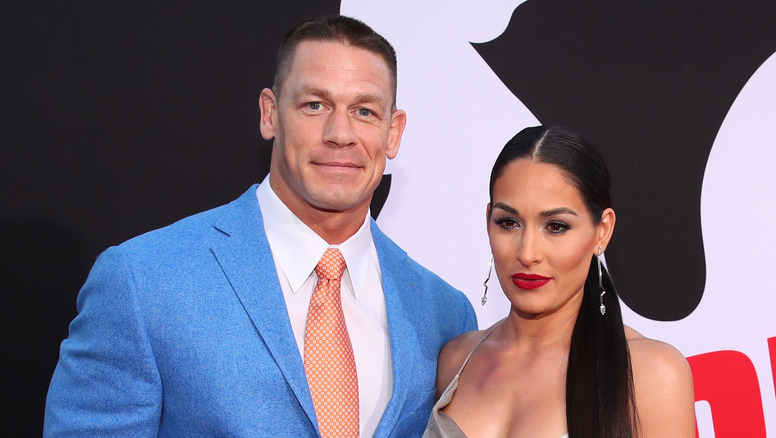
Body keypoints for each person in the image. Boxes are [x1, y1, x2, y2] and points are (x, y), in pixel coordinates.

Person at [44, 15, 477, 438]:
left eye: (364, 111)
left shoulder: (445, 314)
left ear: (393, 132)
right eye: (315, 105)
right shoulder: (142, 281)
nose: (340, 133)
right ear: (270, 114)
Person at [424, 126, 695, 437]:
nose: (527, 253)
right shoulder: (455, 360)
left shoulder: (651, 372)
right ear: (489, 222)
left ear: (602, 231)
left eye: (555, 226)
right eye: (508, 223)